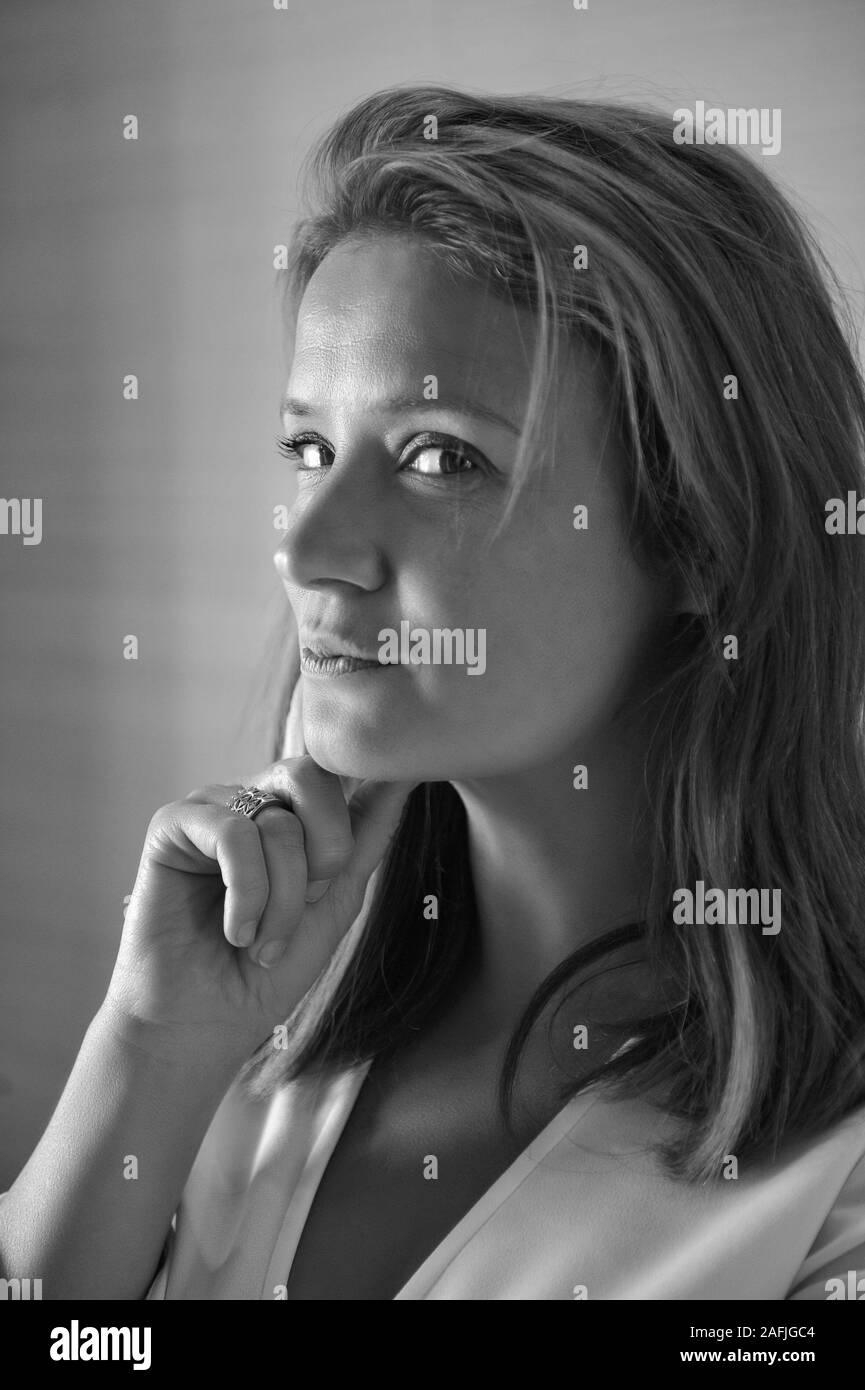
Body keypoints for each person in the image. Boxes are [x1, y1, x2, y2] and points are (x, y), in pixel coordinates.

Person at [3, 83, 865, 1301]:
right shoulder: (226, 1066)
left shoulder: (828, 1191)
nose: (306, 548)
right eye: (308, 449)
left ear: (702, 540)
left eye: (440, 457)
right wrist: (151, 1049)